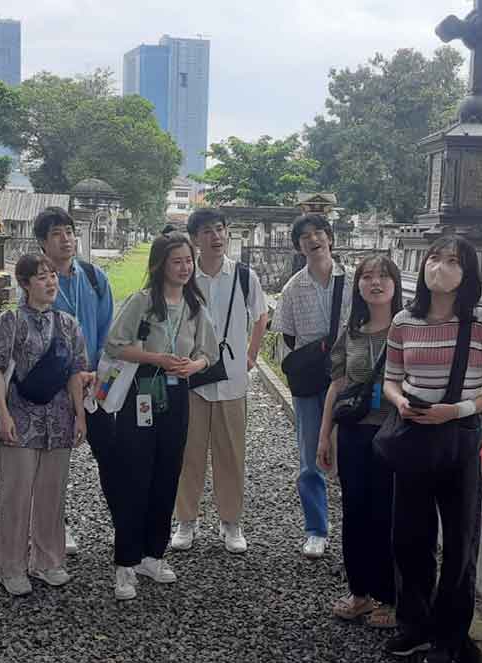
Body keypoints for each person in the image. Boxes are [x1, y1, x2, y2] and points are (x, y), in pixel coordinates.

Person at [381, 236, 482, 663]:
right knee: (409, 538)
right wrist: (400, 402)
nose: (440, 267)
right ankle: (413, 625)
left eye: (452, 261)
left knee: (460, 540)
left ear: (467, 272)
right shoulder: (404, 320)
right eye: (434, 258)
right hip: (414, 436)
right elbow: (391, 376)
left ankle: (449, 634)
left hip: (460, 438)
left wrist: (457, 409)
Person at [102, 232, 219, 600]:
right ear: (160, 265)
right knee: (135, 475)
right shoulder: (142, 303)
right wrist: (157, 359)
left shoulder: (194, 306)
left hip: (176, 394)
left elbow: (209, 354)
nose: (184, 268)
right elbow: (114, 345)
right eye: (177, 261)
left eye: (188, 261)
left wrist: (192, 364)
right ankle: (125, 562)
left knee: (167, 473)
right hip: (142, 391)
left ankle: (153, 554)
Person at [0, 253, 89, 595]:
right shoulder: (11, 321)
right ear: (25, 284)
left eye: (52, 276)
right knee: (16, 494)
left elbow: (75, 372)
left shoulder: (68, 324)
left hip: (58, 419)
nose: (50, 282)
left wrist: (80, 414)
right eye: (41, 277)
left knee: (52, 495)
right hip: (20, 417)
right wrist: (3, 413)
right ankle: (10, 565)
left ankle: (48, 560)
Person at [171, 208, 267, 554]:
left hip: (231, 382)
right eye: (208, 231)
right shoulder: (184, 276)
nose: (217, 236)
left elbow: (261, 316)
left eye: (221, 229)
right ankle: (186, 521)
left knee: (230, 454)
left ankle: (231, 522)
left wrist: (251, 356)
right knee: (188, 453)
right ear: (195, 238)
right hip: (191, 379)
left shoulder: (243, 276)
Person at [315, 255, 403, 628]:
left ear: (395, 285)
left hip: (393, 434)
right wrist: (324, 436)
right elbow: (336, 386)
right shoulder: (351, 332)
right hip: (354, 433)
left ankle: (389, 596)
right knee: (355, 512)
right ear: (358, 287)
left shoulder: (408, 330)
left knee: (388, 514)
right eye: (367, 277)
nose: (375, 283)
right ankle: (360, 593)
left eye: (383, 276)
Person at [270, 213, 352, 559]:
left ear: (330, 237)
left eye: (318, 232)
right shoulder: (293, 288)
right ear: (299, 246)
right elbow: (286, 336)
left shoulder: (352, 280)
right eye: (305, 236)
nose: (313, 239)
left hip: (349, 377)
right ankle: (316, 529)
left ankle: (356, 525)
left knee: (351, 452)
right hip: (310, 382)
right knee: (309, 455)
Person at [34, 207, 114, 554]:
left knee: (112, 454)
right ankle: (56, 526)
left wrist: (101, 373)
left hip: (95, 385)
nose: (66, 238)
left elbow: (110, 332)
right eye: (56, 233)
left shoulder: (95, 278)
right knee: (53, 460)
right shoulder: (38, 281)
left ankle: (121, 520)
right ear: (42, 242)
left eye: (68, 231)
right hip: (54, 389)